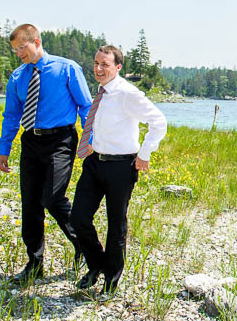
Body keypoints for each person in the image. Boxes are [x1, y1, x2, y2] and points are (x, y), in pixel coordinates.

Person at [0, 24, 92, 284]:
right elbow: (11, 115)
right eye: (15, 49)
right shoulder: (17, 77)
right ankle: (34, 262)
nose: (18, 53)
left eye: (22, 47)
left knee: (52, 197)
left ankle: (82, 243)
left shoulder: (67, 68)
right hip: (31, 141)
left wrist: (89, 141)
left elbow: (86, 106)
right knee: (30, 203)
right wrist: (3, 148)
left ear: (36, 41)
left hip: (61, 139)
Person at [71, 45, 167, 298]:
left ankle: (111, 281)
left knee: (116, 225)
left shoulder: (127, 93)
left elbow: (159, 121)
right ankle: (96, 265)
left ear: (118, 67)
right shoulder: (101, 93)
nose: (99, 69)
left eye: (105, 65)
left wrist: (145, 153)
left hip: (121, 167)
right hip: (94, 163)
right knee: (78, 217)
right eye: (96, 63)